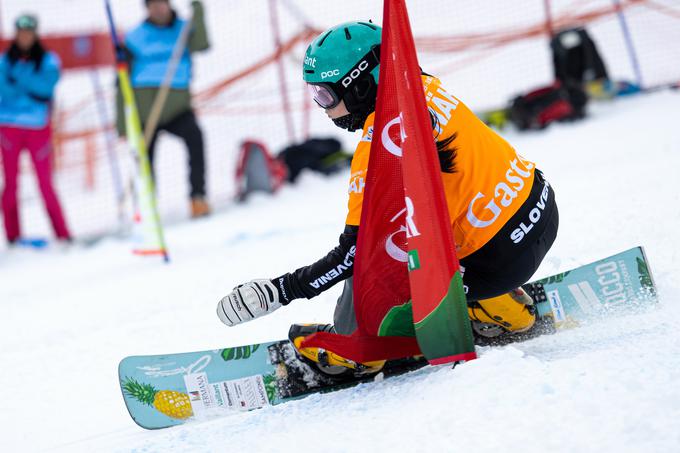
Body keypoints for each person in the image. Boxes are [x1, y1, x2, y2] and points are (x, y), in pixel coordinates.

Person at [216, 22, 559, 371]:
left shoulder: (378, 147)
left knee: (373, 263)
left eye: (325, 95)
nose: (324, 108)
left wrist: (282, 290)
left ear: (361, 85)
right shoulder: (424, 86)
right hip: (540, 209)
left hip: (496, 261)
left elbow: (353, 253)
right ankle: (499, 308)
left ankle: (360, 349)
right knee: (410, 233)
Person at [116, 0, 210, 218]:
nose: (159, 9)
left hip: (177, 110)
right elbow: (120, 82)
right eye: (153, 5)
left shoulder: (184, 30)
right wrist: (122, 124)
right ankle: (147, 205)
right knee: (144, 159)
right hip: (146, 113)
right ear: (147, 8)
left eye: (162, 3)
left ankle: (198, 197)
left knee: (195, 138)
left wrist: (198, 10)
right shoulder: (134, 38)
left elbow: (202, 44)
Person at [0, 14, 71, 245]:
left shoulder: (49, 60)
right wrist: (28, 85)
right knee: (10, 183)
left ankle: (63, 235)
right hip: (9, 129)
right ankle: (13, 237)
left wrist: (20, 81)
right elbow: (6, 91)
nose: (25, 37)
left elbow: (45, 88)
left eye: (29, 32)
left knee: (46, 183)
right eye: (21, 32)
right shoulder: (4, 61)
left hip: (39, 128)